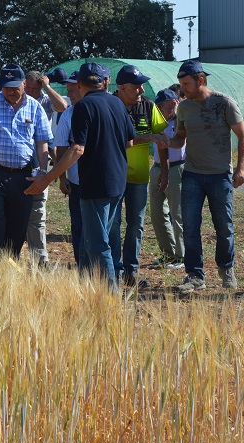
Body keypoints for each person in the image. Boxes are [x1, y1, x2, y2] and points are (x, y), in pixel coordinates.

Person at [24, 62, 136, 290]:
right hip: (118, 180)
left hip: (95, 183)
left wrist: (48, 178)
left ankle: (109, 294)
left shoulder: (84, 107)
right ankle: (101, 286)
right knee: (108, 236)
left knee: (96, 242)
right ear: (104, 82)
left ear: (81, 84)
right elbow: (129, 141)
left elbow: (76, 149)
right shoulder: (117, 102)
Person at [168, 60, 244, 293]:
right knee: (191, 226)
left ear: (201, 81)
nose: (182, 89)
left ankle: (226, 268)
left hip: (220, 175)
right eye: (181, 84)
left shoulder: (224, 103)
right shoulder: (183, 107)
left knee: (224, 226)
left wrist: (241, 169)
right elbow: (180, 138)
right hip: (192, 174)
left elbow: (243, 136)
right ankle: (195, 275)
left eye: (186, 84)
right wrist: (167, 141)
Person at [0, 64, 52, 256]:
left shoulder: (35, 107)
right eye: (6, 87)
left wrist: (43, 172)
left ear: (24, 83)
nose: (11, 92)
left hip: (23, 175)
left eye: (15, 87)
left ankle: (10, 261)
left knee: (18, 223)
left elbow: (41, 144)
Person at [111, 64, 168, 288]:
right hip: (114, 176)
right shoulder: (111, 105)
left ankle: (130, 271)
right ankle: (114, 269)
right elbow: (122, 140)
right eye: (136, 86)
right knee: (113, 224)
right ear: (122, 87)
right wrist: (150, 137)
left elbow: (162, 138)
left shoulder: (148, 106)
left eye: (142, 85)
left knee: (136, 225)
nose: (141, 90)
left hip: (140, 178)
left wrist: (164, 169)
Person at [23, 69, 68, 266]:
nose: (32, 92)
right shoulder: (18, 101)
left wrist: (47, 87)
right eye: (29, 88)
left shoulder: (45, 101)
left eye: (36, 88)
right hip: (19, 162)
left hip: (40, 162)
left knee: (38, 213)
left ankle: (40, 259)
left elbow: (63, 107)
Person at [149, 88, 185, 269]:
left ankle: (181, 255)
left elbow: (181, 141)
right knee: (157, 213)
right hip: (156, 167)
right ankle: (167, 252)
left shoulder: (180, 121)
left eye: (161, 106)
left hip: (176, 168)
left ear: (173, 104)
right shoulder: (159, 122)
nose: (158, 110)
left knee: (176, 213)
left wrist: (178, 113)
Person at [53, 71, 83, 265]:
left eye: (73, 90)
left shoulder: (102, 107)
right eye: (68, 90)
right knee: (79, 226)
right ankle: (82, 265)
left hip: (101, 181)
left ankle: (109, 269)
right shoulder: (68, 114)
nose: (69, 93)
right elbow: (62, 148)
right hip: (77, 180)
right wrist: (62, 178)